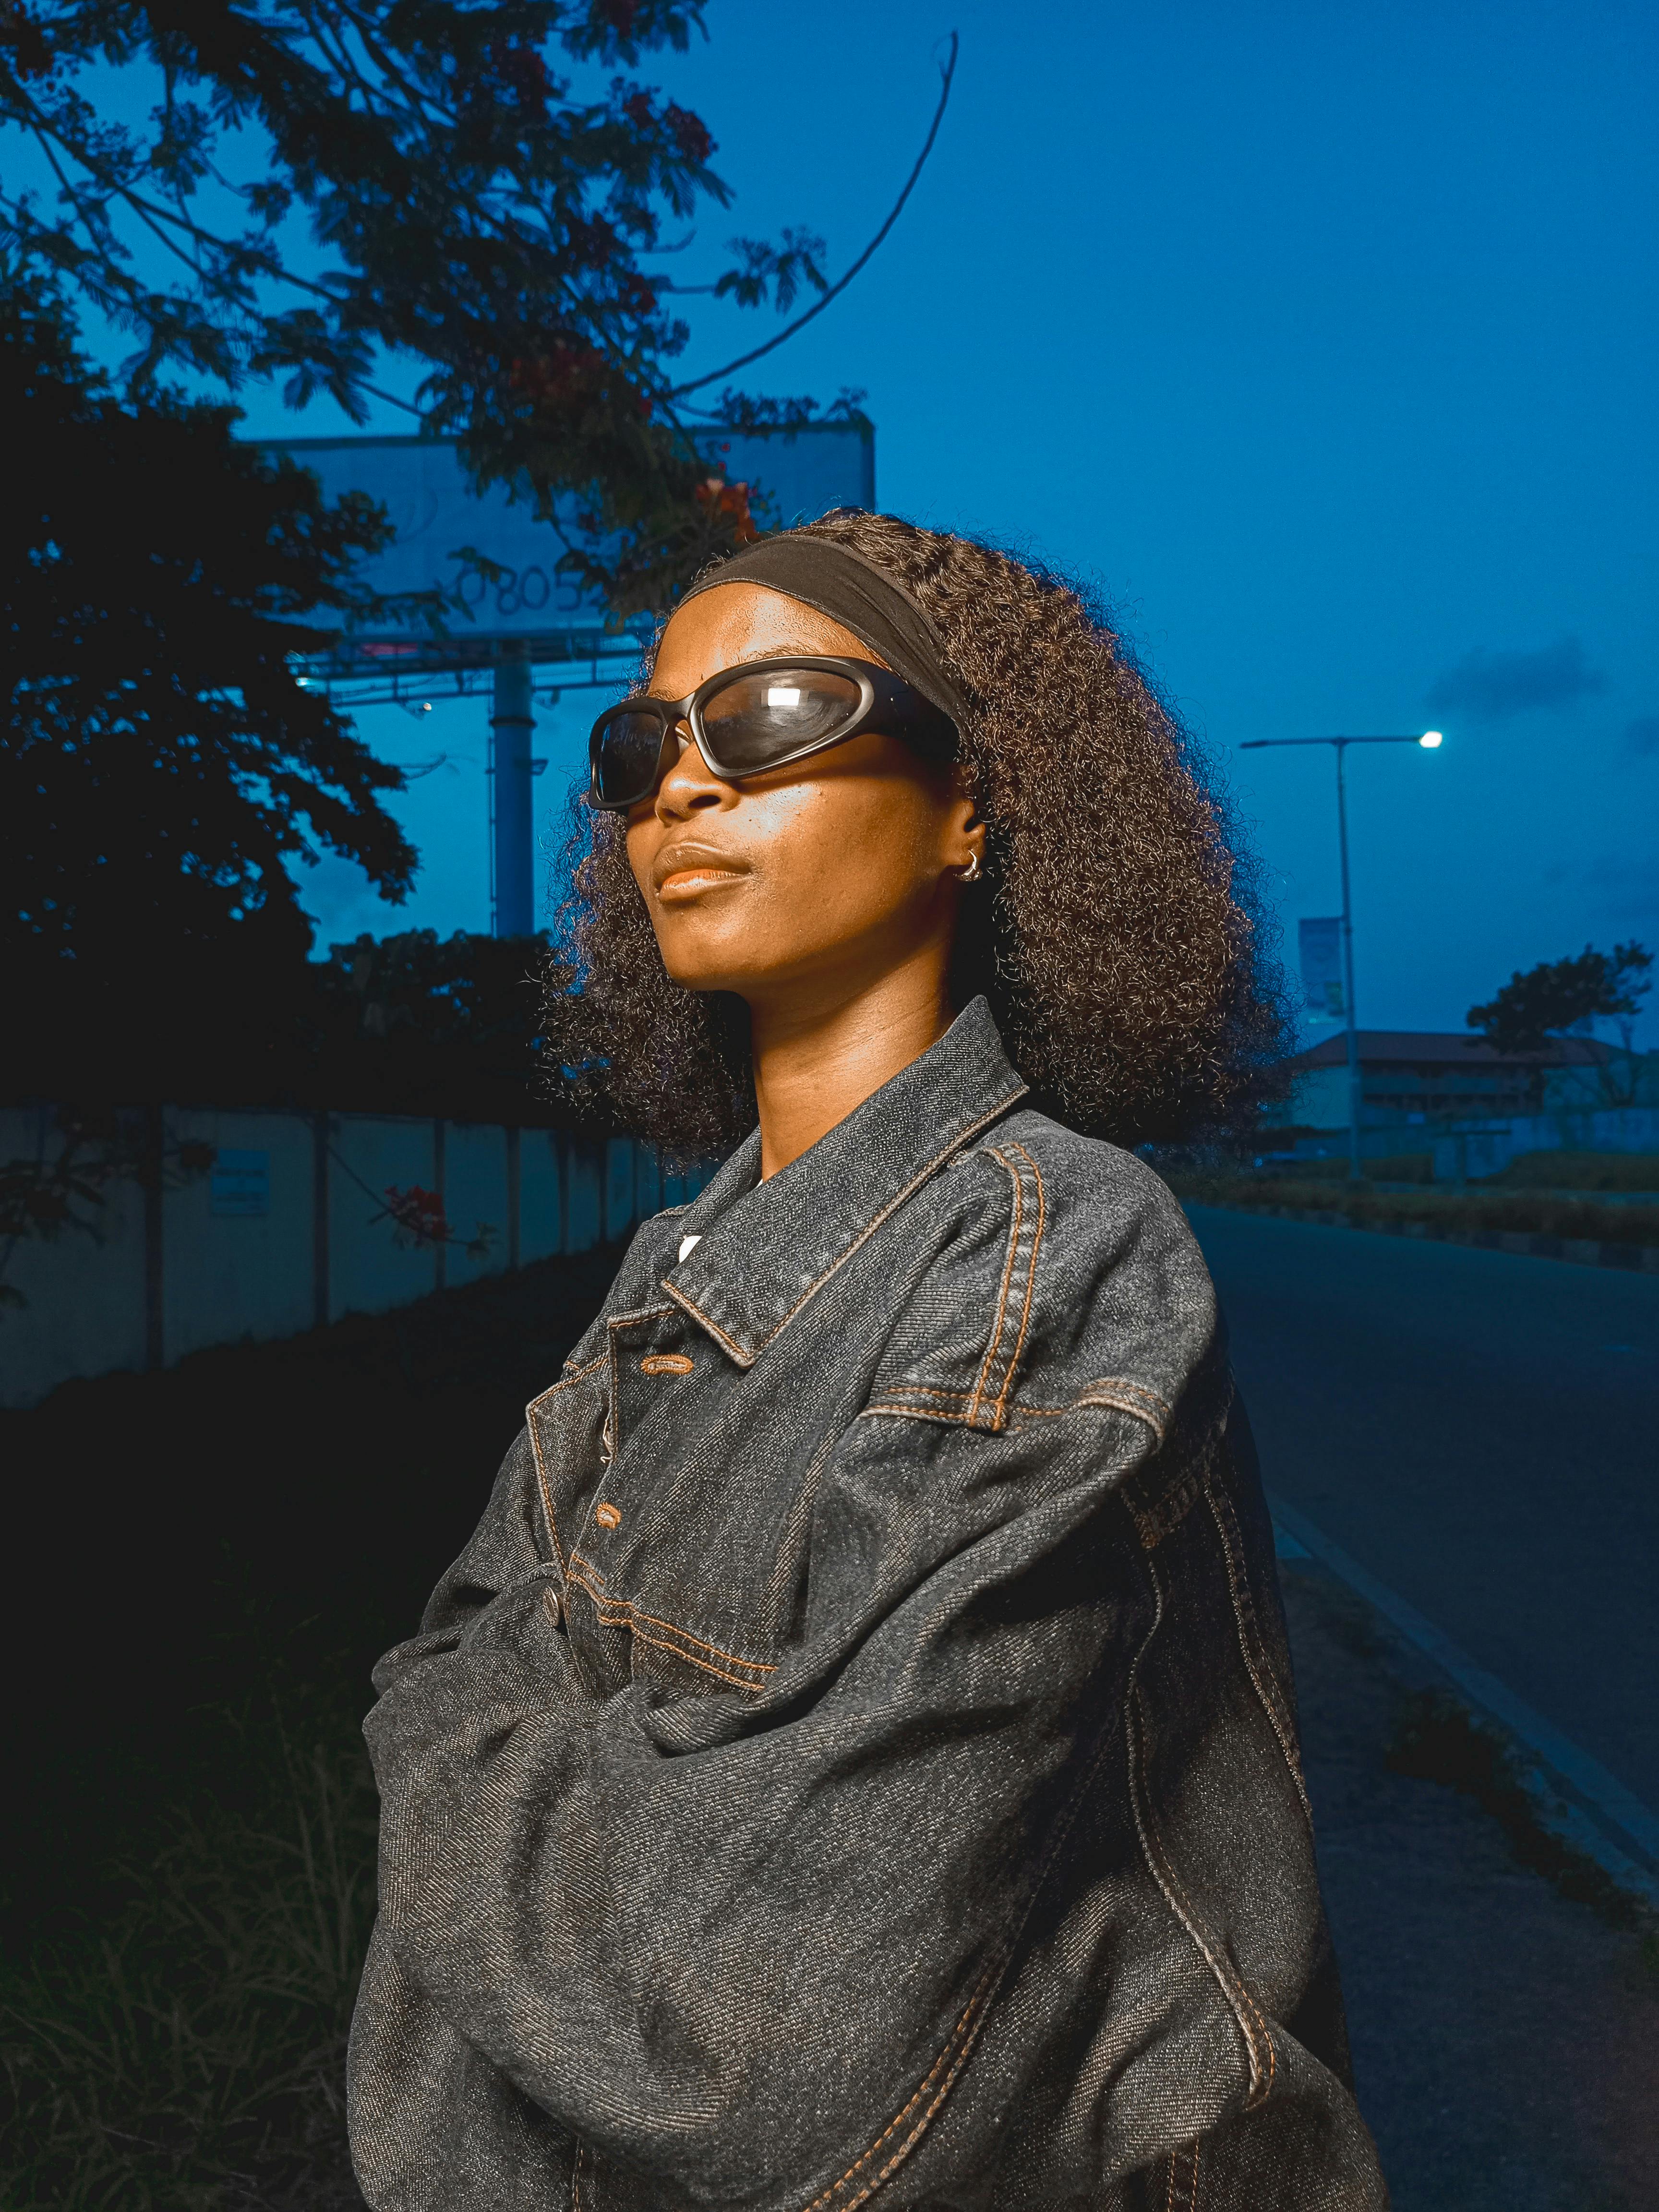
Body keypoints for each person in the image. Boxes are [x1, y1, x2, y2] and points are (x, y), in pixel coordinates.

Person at [347, 512, 1388, 2212]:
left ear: (973, 800)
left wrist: (471, 1783)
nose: (678, 789)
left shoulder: (1053, 1253)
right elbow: (435, 1686)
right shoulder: (669, 1265)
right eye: (641, 745)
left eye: (770, 718)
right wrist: (574, 1805)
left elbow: (763, 2035)